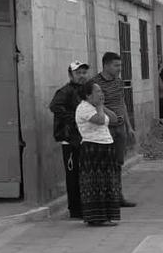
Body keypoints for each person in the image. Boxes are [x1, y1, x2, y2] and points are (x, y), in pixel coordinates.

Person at [91, 52, 137, 207]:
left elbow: (122, 103)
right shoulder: (95, 84)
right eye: (116, 65)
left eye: (120, 65)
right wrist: (110, 115)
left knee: (118, 163)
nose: (119, 68)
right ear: (106, 65)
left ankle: (118, 195)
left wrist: (129, 127)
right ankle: (106, 197)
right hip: (105, 129)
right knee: (105, 164)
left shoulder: (118, 82)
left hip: (120, 129)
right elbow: (95, 104)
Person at [75, 82, 122, 226]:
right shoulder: (84, 108)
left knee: (108, 183)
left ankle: (107, 216)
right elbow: (100, 120)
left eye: (101, 91)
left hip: (106, 146)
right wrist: (100, 106)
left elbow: (114, 119)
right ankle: (97, 218)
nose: (101, 94)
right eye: (98, 92)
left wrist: (102, 106)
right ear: (88, 95)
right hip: (93, 149)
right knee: (96, 184)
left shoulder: (96, 107)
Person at [49, 61, 91, 219]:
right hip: (70, 140)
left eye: (84, 72)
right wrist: (74, 118)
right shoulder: (65, 91)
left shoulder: (86, 90)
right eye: (78, 73)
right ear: (70, 75)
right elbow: (54, 106)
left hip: (84, 138)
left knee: (84, 174)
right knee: (73, 176)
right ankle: (75, 209)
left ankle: (84, 206)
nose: (82, 76)